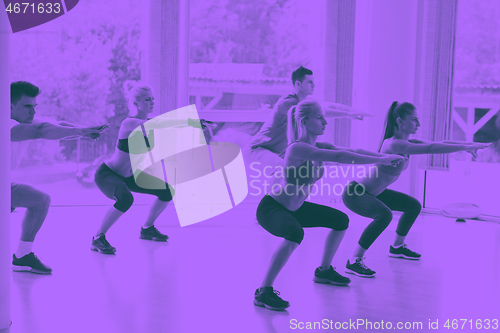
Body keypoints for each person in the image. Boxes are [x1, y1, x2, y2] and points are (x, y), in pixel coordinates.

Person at [253, 99, 405, 310]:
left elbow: (354, 150)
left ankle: (324, 270)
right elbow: (341, 156)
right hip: (272, 208)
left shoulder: (319, 146)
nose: (325, 121)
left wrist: (385, 156)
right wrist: (381, 161)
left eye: (324, 116)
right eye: (319, 117)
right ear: (305, 122)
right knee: (294, 233)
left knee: (340, 220)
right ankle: (264, 291)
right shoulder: (297, 149)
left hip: (296, 208)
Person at [342, 101, 491, 278]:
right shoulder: (395, 145)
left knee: (413, 205)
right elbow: (430, 148)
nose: (418, 124)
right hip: (355, 193)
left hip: (374, 192)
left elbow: (439, 142)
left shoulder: (406, 142)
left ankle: (397, 247)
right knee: (384, 215)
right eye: (414, 120)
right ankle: (354, 260)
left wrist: (468, 144)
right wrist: (465, 147)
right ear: (400, 121)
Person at [92, 80, 214, 254]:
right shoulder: (129, 122)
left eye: (152, 99)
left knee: (166, 191)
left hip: (129, 176)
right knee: (126, 199)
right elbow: (159, 124)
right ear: (136, 103)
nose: (152, 102)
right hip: (108, 174)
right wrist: (190, 122)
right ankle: (98, 238)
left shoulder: (148, 127)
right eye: (147, 99)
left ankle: (147, 228)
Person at [10, 81, 107, 274]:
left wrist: (84, 131)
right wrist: (80, 131)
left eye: (34, 107)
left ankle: (22, 256)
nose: (33, 112)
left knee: (40, 200)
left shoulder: (25, 123)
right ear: (10, 106)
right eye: (28, 106)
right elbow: (41, 131)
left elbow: (56, 126)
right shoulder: (8, 125)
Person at [243, 66, 371, 192]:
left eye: (313, 82)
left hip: (276, 152)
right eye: (310, 82)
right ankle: (269, 204)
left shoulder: (306, 103)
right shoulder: (288, 103)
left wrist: (352, 111)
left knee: (293, 174)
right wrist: (347, 114)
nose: (313, 85)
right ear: (298, 84)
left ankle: (282, 203)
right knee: (283, 170)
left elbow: (328, 105)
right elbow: (322, 111)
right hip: (257, 149)